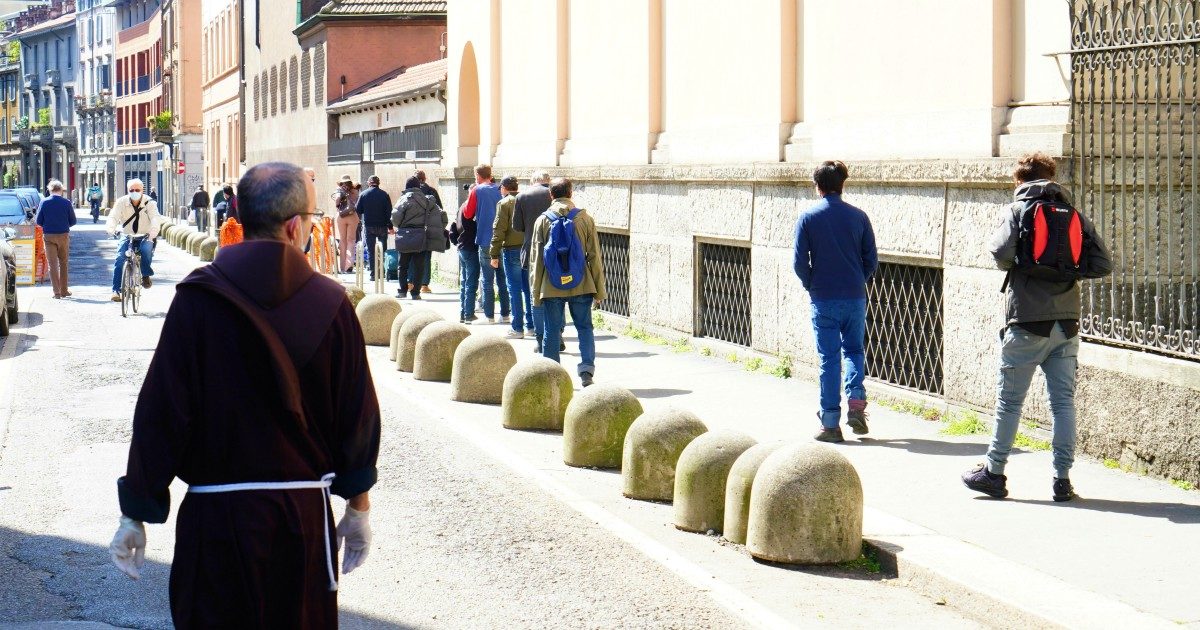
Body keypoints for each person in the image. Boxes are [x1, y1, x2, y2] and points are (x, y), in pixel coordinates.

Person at [108, 162, 381, 628]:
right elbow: (356, 415)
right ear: (296, 227)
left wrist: (137, 510)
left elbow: (161, 411)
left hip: (216, 520)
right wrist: (357, 505)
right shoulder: (332, 304)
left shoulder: (197, 299)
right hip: (300, 524)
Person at [961, 153, 1112, 502]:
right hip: (1067, 325)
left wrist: (1027, 266)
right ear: (1052, 178)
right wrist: (1065, 272)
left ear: (1020, 181)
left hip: (1028, 321)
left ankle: (994, 474)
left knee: (1010, 403)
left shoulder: (1017, 211)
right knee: (1063, 403)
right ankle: (1062, 480)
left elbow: (1000, 254)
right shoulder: (1074, 214)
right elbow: (1102, 263)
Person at [792, 160, 878, 444]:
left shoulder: (808, 218)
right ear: (843, 185)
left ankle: (831, 424)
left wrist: (811, 284)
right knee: (854, 351)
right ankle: (856, 402)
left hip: (824, 297)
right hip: (854, 296)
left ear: (818, 187)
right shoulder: (859, 216)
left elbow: (799, 263)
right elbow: (871, 260)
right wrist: (857, 279)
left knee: (829, 359)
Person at [529, 178, 606, 387]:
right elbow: (594, 257)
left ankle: (552, 376)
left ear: (551, 195)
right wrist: (599, 291)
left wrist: (535, 294)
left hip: (551, 286)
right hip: (582, 283)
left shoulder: (542, 220)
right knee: (584, 328)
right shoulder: (584, 219)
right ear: (571, 193)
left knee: (552, 330)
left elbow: (536, 261)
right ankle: (586, 371)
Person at [462, 165, 509, 323]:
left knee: (487, 280)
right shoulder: (501, 189)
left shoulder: (477, 190)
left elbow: (467, 213)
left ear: (477, 175)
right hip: (503, 239)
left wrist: (470, 194)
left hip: (485, 239)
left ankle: (489, 316)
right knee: (503, 279)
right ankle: (505, 314)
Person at [514, 171, 555, 350]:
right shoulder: (556, 193)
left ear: (533, 181)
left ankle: (540, 338)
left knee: (535, 294)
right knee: (556, 294)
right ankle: (557, 332)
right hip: (557, 251)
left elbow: (518, 227)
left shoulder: (523, 196)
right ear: (548, 181)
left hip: (532, 250)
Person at [391, 176, 447, 300]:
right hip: (421, 235)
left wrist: (400, 226)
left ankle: (402, 291)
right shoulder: (427, 201)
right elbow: (442, 215)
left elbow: (395, 217)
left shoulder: (404, 199)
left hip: (404, 235)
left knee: (403, 265)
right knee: (419, 265)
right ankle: (416, 293)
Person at [107, 178, 162, 301]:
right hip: (127, 235)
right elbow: (113, 216)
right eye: (132, 190)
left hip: (146, 234)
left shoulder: (149, 202)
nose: (134, 192)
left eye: (137, 190)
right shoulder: (121, 202)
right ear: (128, 190)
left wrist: (153, 231)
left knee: (146, 249)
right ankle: (116, 291)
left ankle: (146, 274)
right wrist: (111, 228)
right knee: (120, 257)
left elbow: (155, 218)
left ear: (142, 190)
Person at [489, 176, 530, 339]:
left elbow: (499, 229)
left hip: (511, 249)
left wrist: (494, 253)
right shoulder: (525, 199)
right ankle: (531, 325)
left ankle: (517, 328)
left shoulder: (504, 203)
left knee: (514, 289)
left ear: (505, 188)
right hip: (526, 248)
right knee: (528, 289)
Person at [35, 179, 76, 299]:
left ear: (49, 190)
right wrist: (64, 225)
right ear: (61, 191)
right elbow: (73, 221)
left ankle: (56, 292)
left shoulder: (44, 202)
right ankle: (64, 291)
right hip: (63, 235)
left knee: (53, 265)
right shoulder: (66, 203)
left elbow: (38, 221)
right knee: (63, 263)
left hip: (49, 236)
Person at [449, 198, 480, 323]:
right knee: (471, 283)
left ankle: (463, 313)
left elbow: (454, 226)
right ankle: (468, 314)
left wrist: (456, 242)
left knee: (464, 282)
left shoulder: (462, 206)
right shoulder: (472, 209)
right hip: (471, 247)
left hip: (462, 247)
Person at [356, 175, 392, 281]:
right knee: (382, 250)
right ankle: (382, 272)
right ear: (378, 183)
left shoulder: (363, 194)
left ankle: (373, 274)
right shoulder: (384, 194)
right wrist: (390, 227)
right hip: (382, 226)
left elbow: (358, 210)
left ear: (368, 183)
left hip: (369, 226)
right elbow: (389, 212)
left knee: (371, 251)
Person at [414, 170, 441, 292]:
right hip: (428, 227)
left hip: (413, 228)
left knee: (411, 254)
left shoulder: (410, 193)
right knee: (426, 256)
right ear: (425, 178)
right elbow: (440, 210)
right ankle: (424, 284)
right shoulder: (432, 191)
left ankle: (410, 282)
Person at [333, 176, 359, 273]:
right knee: (351, 240)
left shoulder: (339, 190)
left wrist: (337, 206)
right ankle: (349, 265)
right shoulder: (355, 191)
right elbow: (356, 202)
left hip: (341, 216)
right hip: (352, 215)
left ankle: (342, 267)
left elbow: (337, 199)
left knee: (342, 240)